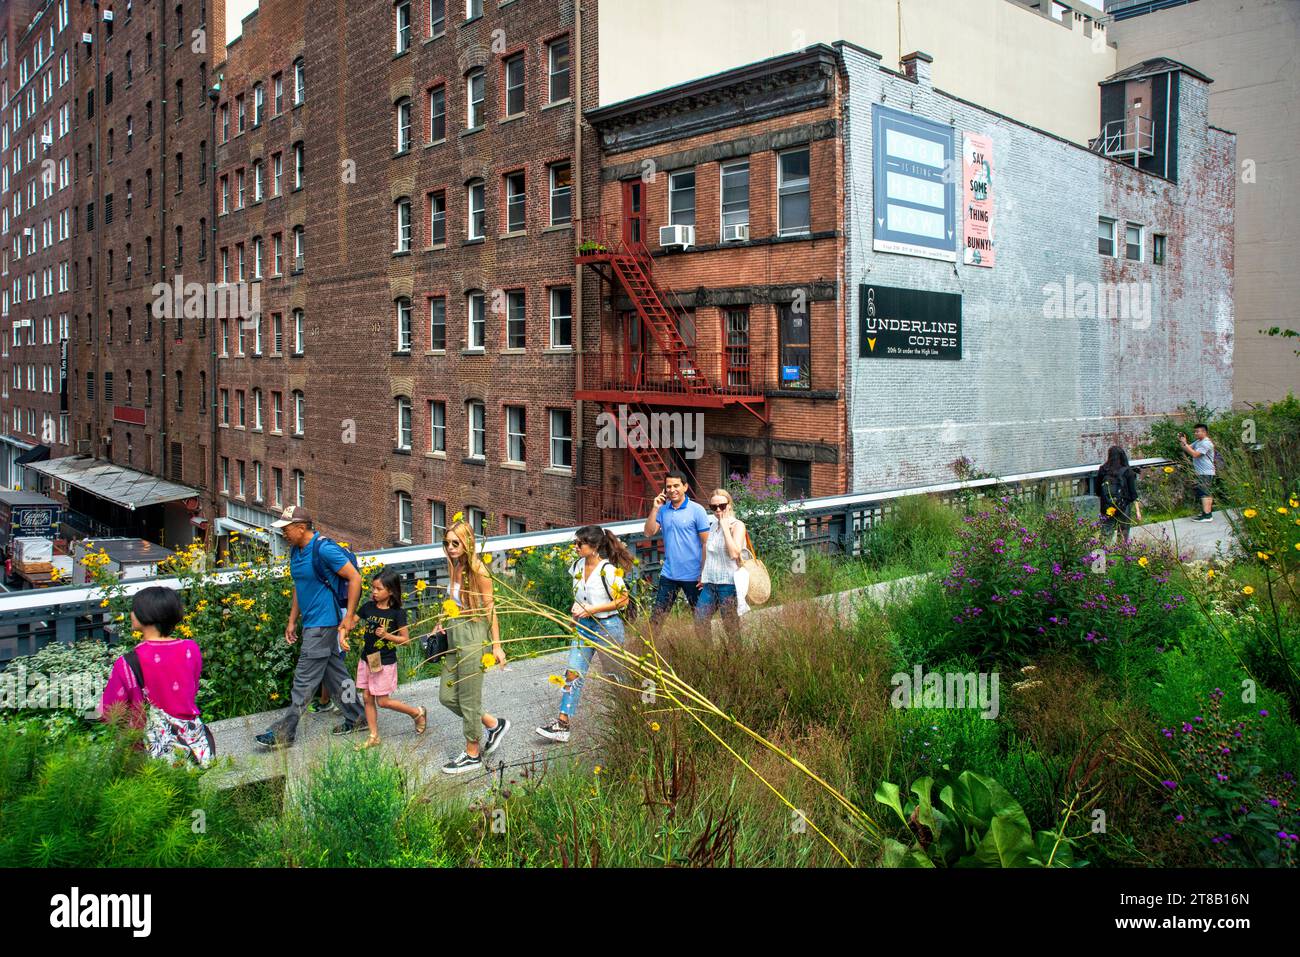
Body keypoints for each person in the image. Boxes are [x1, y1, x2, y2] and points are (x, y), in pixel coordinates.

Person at [255, 506, 366, 748]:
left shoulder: (323, 549)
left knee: (304, 679)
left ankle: (285, 732)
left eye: (286, 529)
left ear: (301, 528)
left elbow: (355, 578)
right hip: (311, 622)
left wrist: (349, 617)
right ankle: (358, 716)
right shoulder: (296, 551)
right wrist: (292, 619)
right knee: (337, 675)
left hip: (324, 624)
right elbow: (300, 585)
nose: (283, 533)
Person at [536, 525, 633, 743]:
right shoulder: (577, 566)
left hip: (608, 627)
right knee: (573, 673)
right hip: (583, 627)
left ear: (595, 546)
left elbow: (623, 600)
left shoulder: (607, 570)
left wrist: (591, 610)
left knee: (615, 676)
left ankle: (631, 713)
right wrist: (576, 611)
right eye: (575, 543)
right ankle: (562, 723)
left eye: (581, 543)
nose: (576, 547)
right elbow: (580, 595)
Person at [98, 586, 213, 767]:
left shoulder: (128, 662)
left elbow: (110, 711)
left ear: (145, 615)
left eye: (134, 609)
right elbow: (191, 688)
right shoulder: (191, 649)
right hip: (188, 743)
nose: (131, 614)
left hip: (145, 748)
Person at [438, 518, 510, 774]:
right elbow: (453, 601)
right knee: (446, 696)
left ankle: (472, 753)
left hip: (472, 634)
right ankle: (494, 724)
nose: (450, 547)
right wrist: (440, 622)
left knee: (469, 699)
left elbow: (490, 607)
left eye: (455, 543)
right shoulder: (455, 566)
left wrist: (496, 646)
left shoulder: (479, 570)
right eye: (447, 543)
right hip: (453, 633)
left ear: (468, 542)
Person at [354, 569, 426, 750]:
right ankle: (373, 736)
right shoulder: (368, 607)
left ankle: (417, 713)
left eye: (378, 589)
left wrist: (387, 635)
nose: (374, 592)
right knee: (367, 696)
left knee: (383, 701)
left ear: (391, 591)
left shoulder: (397, 613)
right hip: (368, 658)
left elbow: (406, 640)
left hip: (384, 660)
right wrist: (342, 633)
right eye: (373, 588)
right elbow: (351, 621)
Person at [644, 471, 710, 626]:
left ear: (685, 487)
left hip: (694, 576)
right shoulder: (663, 510)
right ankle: (648, 650)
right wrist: (655, 508)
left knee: (701, 623)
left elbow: (706, 543)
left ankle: (707, 650)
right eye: (668, 487)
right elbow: (648, 532)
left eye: (676, 485)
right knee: (656, 621)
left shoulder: (697, 510)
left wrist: (704, 572)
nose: (672, 490)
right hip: (669, 574)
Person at [695, 488, 747, 640]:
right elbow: (708, 551)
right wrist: (702, 574)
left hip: (728, 584)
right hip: (710, 583)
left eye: (722, 506)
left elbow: (734, 554)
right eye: (713, 507)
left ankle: (736, 660)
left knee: (730, 627)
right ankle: (709, 657)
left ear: (729, 505)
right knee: (699, 620)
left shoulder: (737, 525)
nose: (718, 510)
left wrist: (725, 528)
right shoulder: (712, 526)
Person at [1095, 446, 1141, 544]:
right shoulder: (1128, 471)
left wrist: (1107, 501)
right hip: (1123, 507)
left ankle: (1103, 555)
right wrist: (1138, 511)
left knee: (1106, 533)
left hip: (1107, 507)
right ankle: (1122, 554)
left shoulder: (1103, 470)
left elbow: (1098, 491)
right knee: (1123, 532)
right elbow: (1133, 494)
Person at [1179, 424, 1216, 521]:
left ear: (1204, 432)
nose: (1195, 433)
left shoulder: (1206, 443)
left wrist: (1186, 444)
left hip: (1206, 471)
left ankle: (1207, 515)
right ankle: (1206, 513)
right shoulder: (1199, 441)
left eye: (1197, 431)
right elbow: (1186, 448)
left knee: (1204, 493)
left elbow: (1195, 454)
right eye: (1195, 431)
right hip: (1201, 471)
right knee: (1204, 492)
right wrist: (1183, 441)